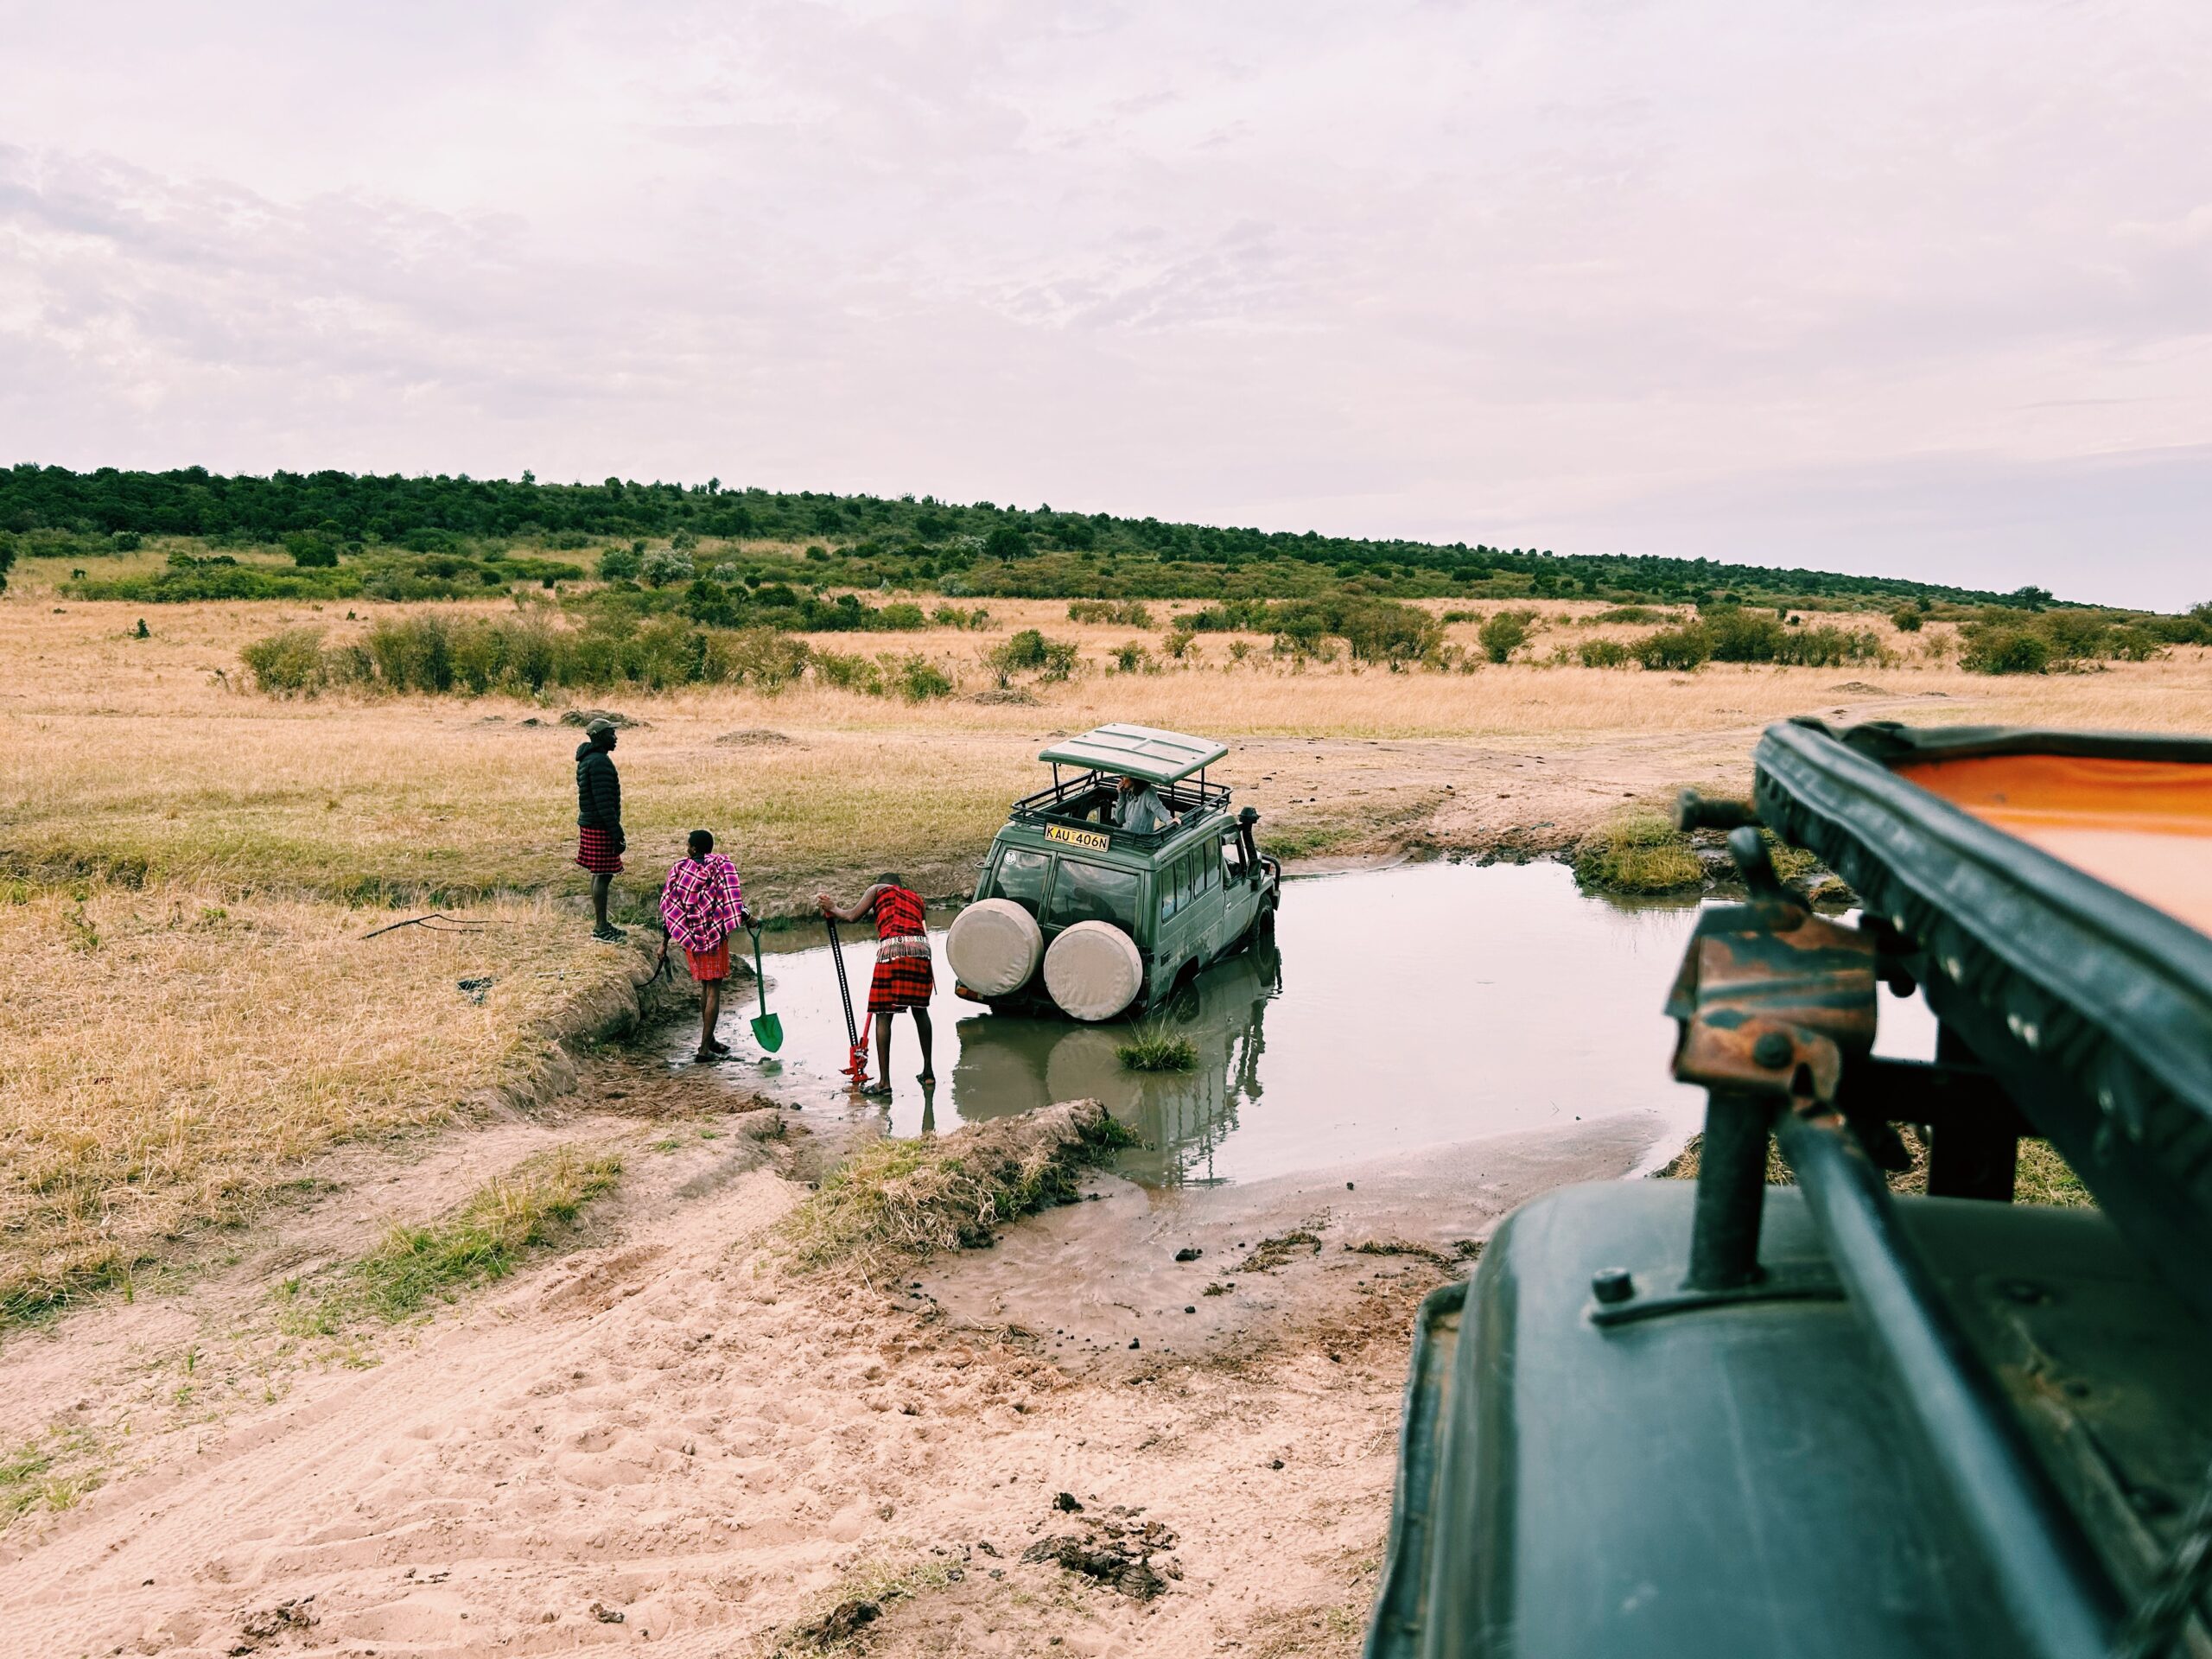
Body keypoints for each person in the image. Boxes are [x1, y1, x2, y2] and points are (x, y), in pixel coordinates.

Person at [817, 873, 934, 1096]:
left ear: (886, 884)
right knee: (921, 1012)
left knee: (883, 1014)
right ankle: (928, 1073)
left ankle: (884, 1083)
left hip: (893, 950)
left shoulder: (877, 889)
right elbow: (921, 929)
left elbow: (851, 917)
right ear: (900, 886)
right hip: (921, 953)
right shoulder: (917, 899)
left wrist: (832, 907)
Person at [661, 830, 753, 1063]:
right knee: (713, 989)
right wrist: (750, 918)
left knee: (705, 986)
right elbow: (732, 903)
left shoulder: (679, 871)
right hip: (714, 936)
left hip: (692, 937)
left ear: (693, 849)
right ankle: (704, 1049)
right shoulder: (722, 868)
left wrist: (664, 943)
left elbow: (671, 908)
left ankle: (709, 1040)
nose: (686, 848)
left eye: (688, 845)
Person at [575, 718, 626, 940]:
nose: (615, 738)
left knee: (598, 873)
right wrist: (617, 833)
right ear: (599, 736)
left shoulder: (589, 759)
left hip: (591, 822)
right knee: (604, 874)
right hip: (600, 825)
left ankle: (602, 924)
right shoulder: (600, 762)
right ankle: (601, 928)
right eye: (610, 733)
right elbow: (605, 802)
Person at [1112, 772, 1176, 833]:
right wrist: (1121, 795)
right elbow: (1119, 820)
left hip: (1139, 839)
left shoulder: (1147, 794)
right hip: (1125, 835)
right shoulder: (1129, 794)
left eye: (1124, 777)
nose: (1121, 781)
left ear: (1133, 778)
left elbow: (1158, 808)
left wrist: (1169, 820)